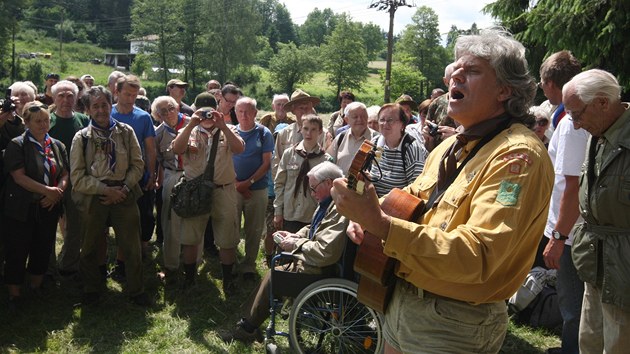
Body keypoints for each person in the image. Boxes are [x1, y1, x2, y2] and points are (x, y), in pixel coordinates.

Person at [331, 29, 554, 353]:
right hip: (401, 299)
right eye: (455, 70)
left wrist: (380, 224)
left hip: (453, 321)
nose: (455, 76)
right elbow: (412, 200)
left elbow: (479, 256)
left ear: (505, 90)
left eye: (472, 71)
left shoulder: (517, 157)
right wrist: (368, 213)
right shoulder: (450, 146)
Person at [221, 161, 347, 343]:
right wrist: (295, 236)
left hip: (323, 271)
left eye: (313, 188)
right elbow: (314, 229)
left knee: (276, 275)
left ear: (328, 183)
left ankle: (247, 327)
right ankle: (247, 323)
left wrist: (297, 244)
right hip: (316, 264)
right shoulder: (330, 203)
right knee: (276, 270)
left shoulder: (339, 210)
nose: (312, 194)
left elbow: (325, 252)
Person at [563, 69, 630, 353]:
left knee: (619, 344)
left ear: (603, 102)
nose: (576, 125)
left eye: (577, 114)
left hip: (625, 268)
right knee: (589, 340)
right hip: (596, 262)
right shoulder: (598, 133)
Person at [70, 86, 150, 306]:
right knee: (89, 245)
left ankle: (136, 290)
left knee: (131, 245)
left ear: (110, 104)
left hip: (124, 194)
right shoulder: (82, 138)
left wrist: (123, 189)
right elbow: (77, 176)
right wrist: (105, 190)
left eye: (104, 105)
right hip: (95, 196)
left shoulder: (125, 132)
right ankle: (91, 288)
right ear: (87, 110)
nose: (100, 110)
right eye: (95, 106)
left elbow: (138, 165)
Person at [531, 50, 586, 354]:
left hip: (571, 230)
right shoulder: (571, 116)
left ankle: (572, 349)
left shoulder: (570, 122)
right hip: (571, 227)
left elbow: (571, 184)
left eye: (542, 82)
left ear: (551, 82)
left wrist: (558, 235)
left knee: (572, 296)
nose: (542, 88)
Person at [171, 97, 245, 293]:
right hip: (194, 191)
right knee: (190, 237)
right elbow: (177, 150)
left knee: (227, 238)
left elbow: (239, 149)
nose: (207, 116)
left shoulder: (229, 130)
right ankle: (189, 279)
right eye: (203, 112)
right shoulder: (189, 131)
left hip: (223, 190)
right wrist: (191, 124)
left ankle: (228, 280)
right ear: (196, 111)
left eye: (210, 112)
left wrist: (223, 126)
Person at [2, 101, 68, 310]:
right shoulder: (17, 144)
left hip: (48, 206)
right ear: (26, 122)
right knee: (17, 249)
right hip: (22, 207)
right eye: (38, 121)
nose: (43, 124)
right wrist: (47, 191)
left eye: (46, 120)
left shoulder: (57, 145)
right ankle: (14, 294)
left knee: (43, 246)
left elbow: (65, 173)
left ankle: (36, 288)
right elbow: (19, 177)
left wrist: (57, 193)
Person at [111, 74, 157, 271]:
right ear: (117, 92)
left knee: (143, 217)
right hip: (112, 176)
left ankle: (140, 252)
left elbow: (150, 148)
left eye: (134, 95)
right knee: (120, 220)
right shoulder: (108, 114)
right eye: (127, 94)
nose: (130, 98)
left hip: (139, 175)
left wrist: (152, 173)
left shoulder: (143, 117)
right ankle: (120, 262)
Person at [48, 80, 90, 278]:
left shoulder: (83, 120)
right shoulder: (46, 120)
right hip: (50, 180)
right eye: (61, 95)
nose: (65, 99)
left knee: (75, 225)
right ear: (54, 98)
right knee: (47, 224)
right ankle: (46, 265)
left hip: (77, 179)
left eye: (70, 95)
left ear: (77, 98)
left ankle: (69, 264)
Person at [232, 97, 274, 280]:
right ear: (235, 113)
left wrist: (247, 183)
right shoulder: (230, 132)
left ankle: (249, 264)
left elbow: (266, 163)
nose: (244, 115)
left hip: (256, 189)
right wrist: (236, 185)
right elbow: (223, 160)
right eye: (240, 111)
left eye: (248, 111)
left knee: (254, 228)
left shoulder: (264, 134)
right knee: (231, 226)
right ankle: (231, 261)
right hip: (232, 188)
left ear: (256, 113)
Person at [153, 95, 192, 285]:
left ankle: (192, 261)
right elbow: (159, 159)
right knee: (170, 219)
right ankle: (171, 263)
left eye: (171, 108)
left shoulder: (193, 124)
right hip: (171, 174)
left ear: (177, 107)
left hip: (193, 174)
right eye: (163, 111)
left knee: (194, 217)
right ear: (157, 115)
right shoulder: (158, 133)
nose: (168, 113)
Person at [274, 114, 331, 233]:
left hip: (312, 215)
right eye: (305, 128)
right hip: (290, 213)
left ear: (320, 131)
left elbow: (328, 192)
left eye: (313, 129)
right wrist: (278, 211)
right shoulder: (289, 154)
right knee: (286, 248)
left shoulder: (325, 160)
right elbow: (280, 184)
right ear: (300, 129)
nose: (308, 133)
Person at [369, 103, 427, 197]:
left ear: (402, 124)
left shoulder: (412, 148)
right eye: (382, 120)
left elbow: (416, 188)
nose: (385, 124)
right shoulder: (375, 143)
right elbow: (366, 172)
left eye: (390, 120)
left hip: (399, 206)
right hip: (373, 203)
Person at [272, 89, 323, 178]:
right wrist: (281, 190)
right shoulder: (284, 134)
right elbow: (276, 164)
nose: (304, 111)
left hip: (314, 187)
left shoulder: (322, 133)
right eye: (301, 108)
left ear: (312, 109)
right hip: (290, 188)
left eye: (307, 107)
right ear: (293, 110)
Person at [327, 102, 379, 176]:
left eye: (363, 116)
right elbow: (328, 162)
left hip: (366, 186)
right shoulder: (341, 137)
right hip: (340, 184)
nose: (360, 119)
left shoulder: (377, 139)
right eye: (355, 117)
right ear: (347, 120)